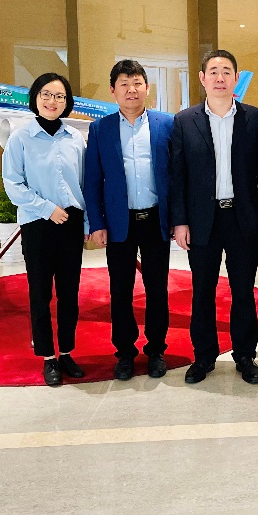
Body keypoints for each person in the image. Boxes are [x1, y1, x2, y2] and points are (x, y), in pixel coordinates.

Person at [170, 50, 258, 385]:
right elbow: (178, 176)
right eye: (213, 71)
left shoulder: (255, 119)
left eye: (226, 71)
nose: (220, 77)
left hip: (242, 216)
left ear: (236, 78)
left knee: (243, 290)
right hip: (202, 219)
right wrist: (180, 221)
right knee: (203, 290)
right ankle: (204, 356)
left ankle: (245, 356)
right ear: (202, 78)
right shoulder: (184, 121)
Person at [84, 60, 174, 381]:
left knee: (157, 288)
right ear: (113, 91)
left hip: (156, 219)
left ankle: (156, 350)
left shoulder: (167, 124)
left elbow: (178, 175)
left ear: (147, 88)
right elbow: (92, 180)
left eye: (137, 83)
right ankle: (124, 353)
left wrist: (178, 219)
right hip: (118, 222)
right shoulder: (101, 129)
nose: (131, 89)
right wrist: (96, 223)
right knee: (120, 290)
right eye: (124, 84)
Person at [2, 73, 88, 387]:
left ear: (67, 102)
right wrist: (46, 209)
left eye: (60, 96)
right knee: (40, 293)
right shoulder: (20, 138)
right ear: (36, 98)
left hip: (71, 223)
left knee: (69, 293)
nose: (53, 101)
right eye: (46, 95)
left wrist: (86, 222)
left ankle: (66, 352)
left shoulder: (75, 138)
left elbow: (84, 183)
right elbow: (13, 184)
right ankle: (48, 357)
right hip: (38, 223)